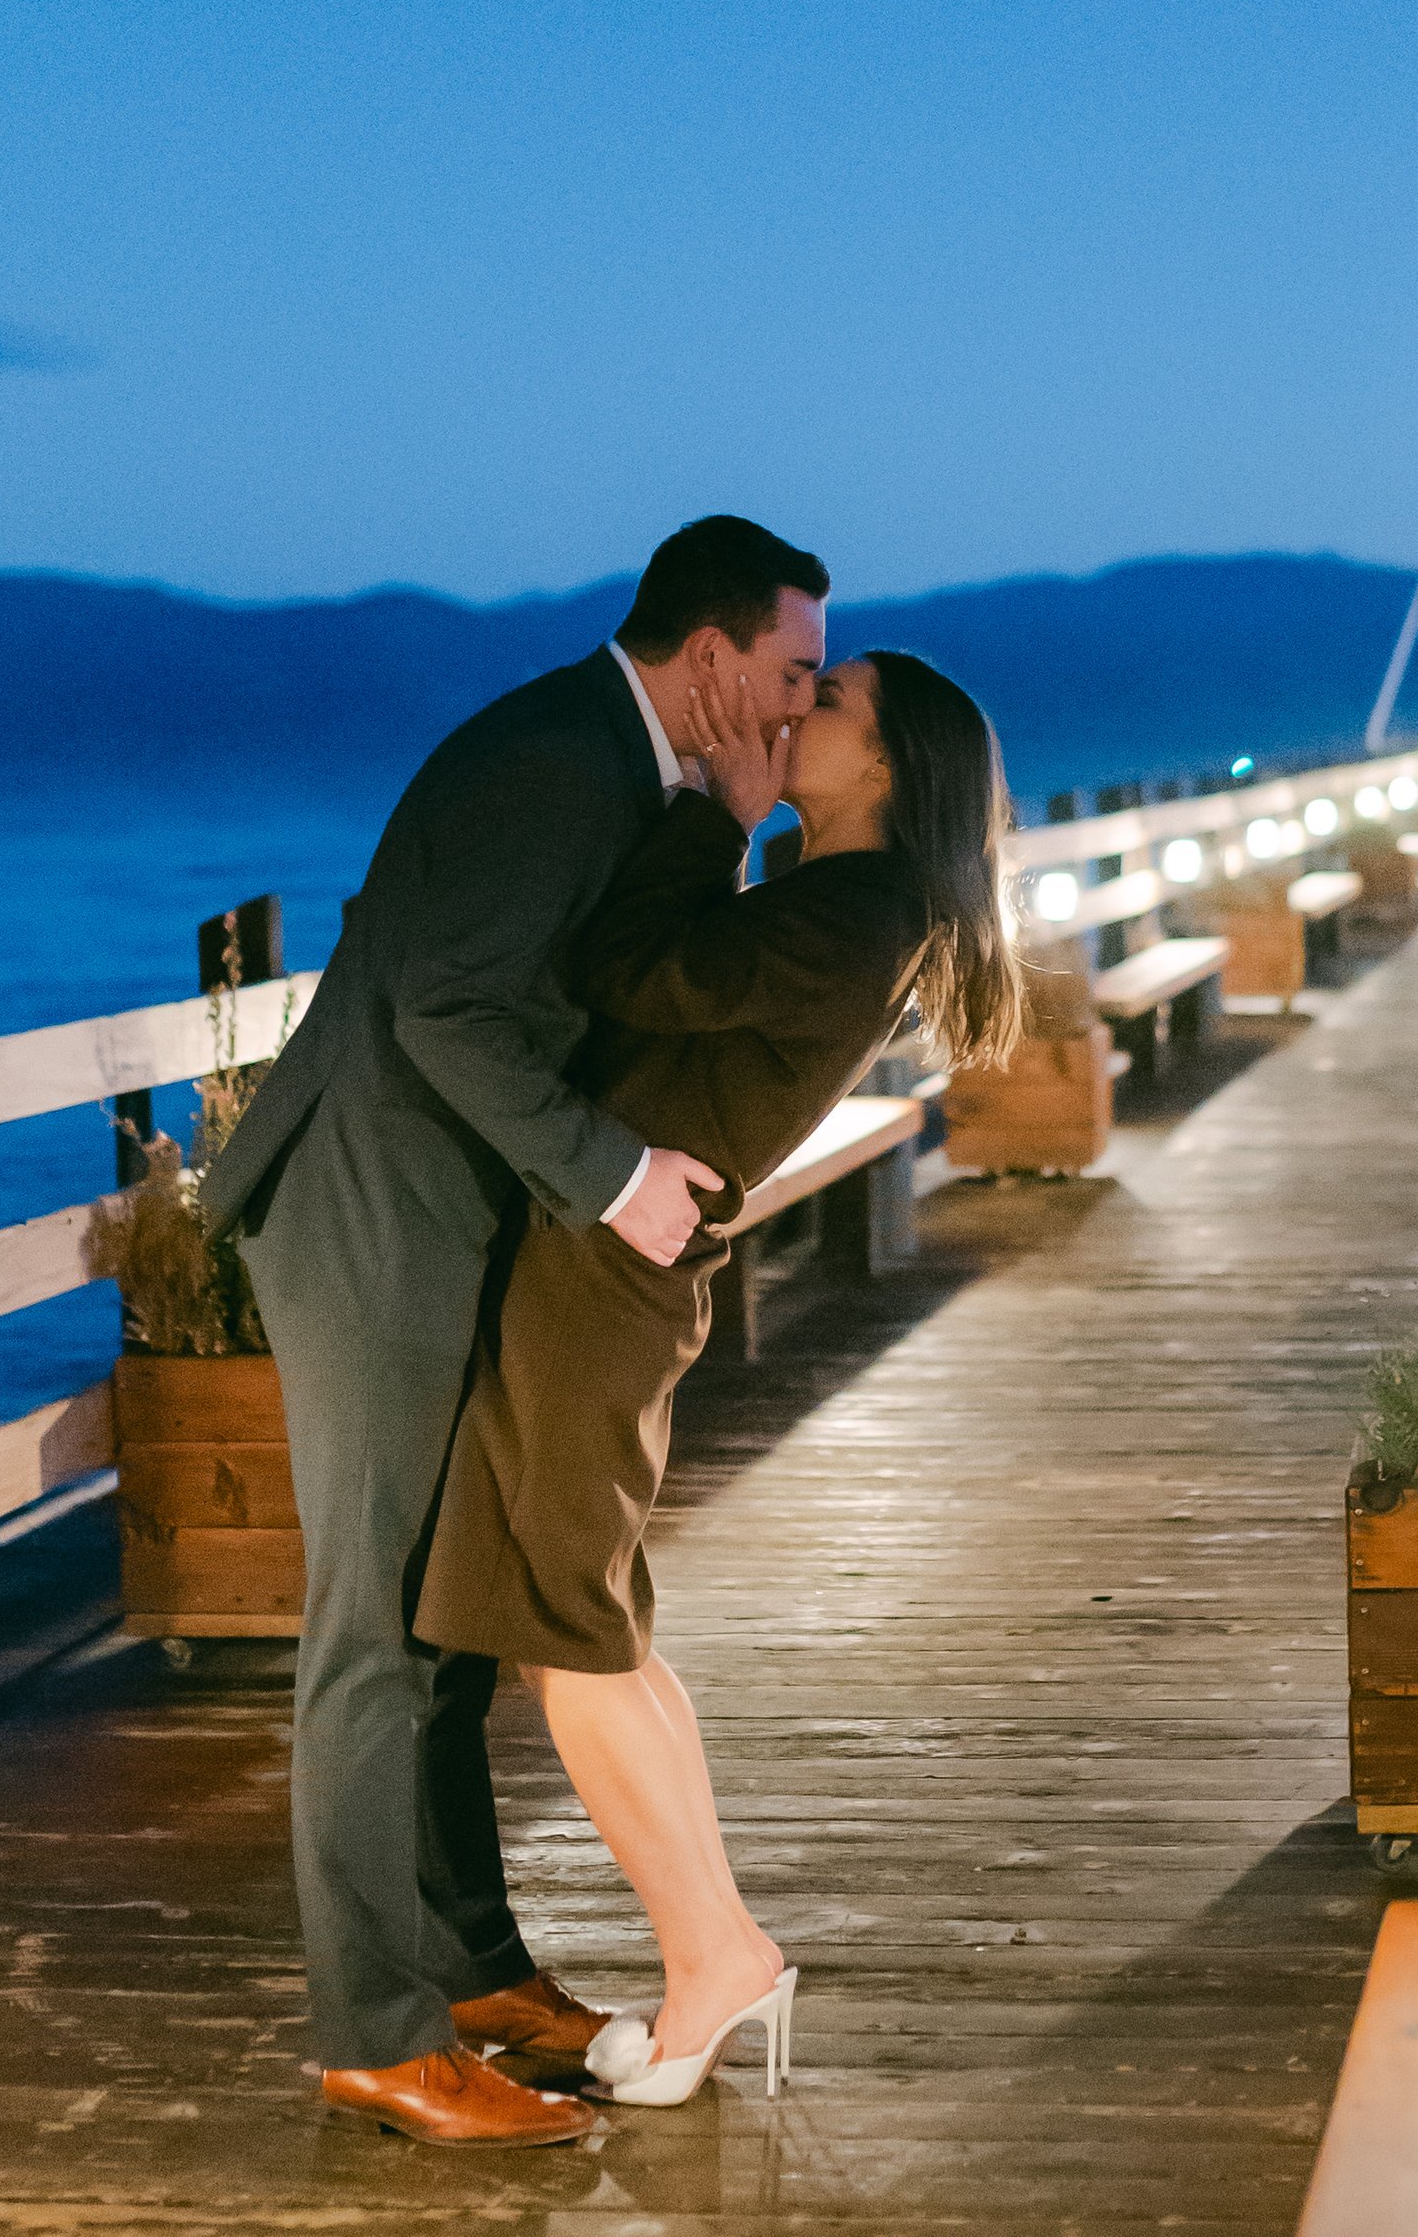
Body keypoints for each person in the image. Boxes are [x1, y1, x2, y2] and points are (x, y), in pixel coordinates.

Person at [198, 515, 830, 2148]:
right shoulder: (558, 760)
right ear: (708, 662)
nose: (800, 707)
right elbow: (443, 1011)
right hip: (368, 1213)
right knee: (370, 1635)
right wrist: (616, 1178)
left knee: (447, 1621)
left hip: (445, 1213)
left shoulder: (631, 772)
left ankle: (472, 1977)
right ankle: (378, 2036)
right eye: (791, 675)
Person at [413, 646, 1022, 2109]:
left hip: (600, 1282)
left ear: (884, 766)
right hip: (619, 1273)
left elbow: (626, 966)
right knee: (598, 1626)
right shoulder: (858, 906)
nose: (789, 714)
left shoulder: (852, 905)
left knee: (570, 1643)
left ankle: (712, 1957)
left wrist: (714, 811)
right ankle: (719, 1947)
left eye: (829, 704)